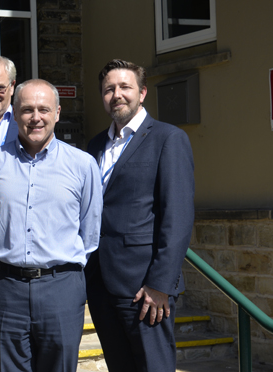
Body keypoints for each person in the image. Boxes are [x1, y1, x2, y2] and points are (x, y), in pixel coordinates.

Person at [0, 79, 102, 372]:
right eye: (27, 109)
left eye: (44, 109)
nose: (36, 117)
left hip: (61, 287)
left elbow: (91, 229)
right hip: (6, 287)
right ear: (15, 112)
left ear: (57, 113)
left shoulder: (83, 165)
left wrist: (64, 272)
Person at [85, 59, 195, 372]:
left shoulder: (167, 139)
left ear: (142, 92)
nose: (116, 94)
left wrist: (160, 284)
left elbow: (178, 216)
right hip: (102, 284)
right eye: (109, 89)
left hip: (145, 289)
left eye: (125, 87)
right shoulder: (95, 145)